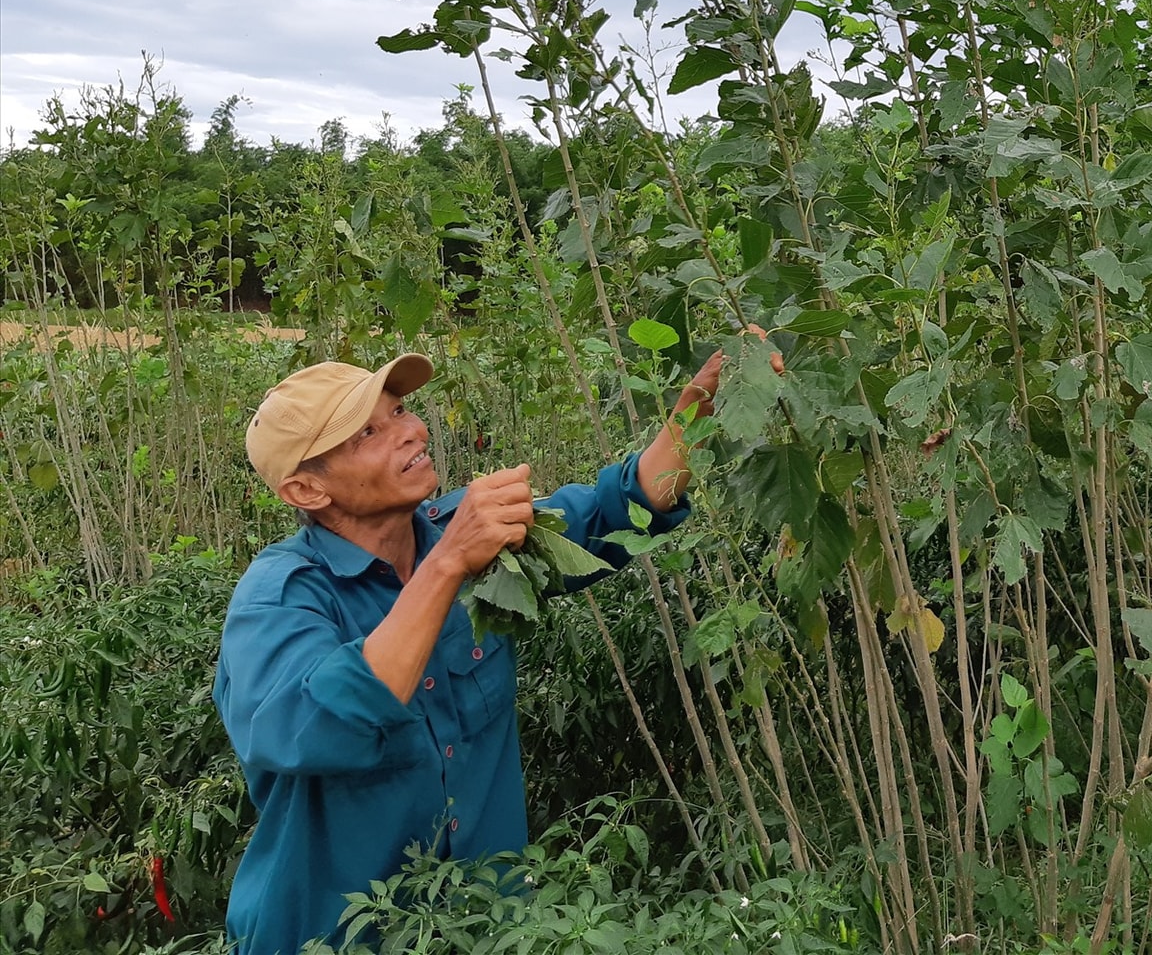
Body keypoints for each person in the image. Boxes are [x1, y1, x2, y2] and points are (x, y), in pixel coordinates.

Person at [215, 339, 767, 955]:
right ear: (307, 492)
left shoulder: (466, 540)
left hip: (489, 928)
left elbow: (624, 506)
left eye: (399, 411)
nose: (409, 431)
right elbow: (316, 724)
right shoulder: (280, 598)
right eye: (367, 433)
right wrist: (448, 564)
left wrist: (702, 406)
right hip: (333, 936)